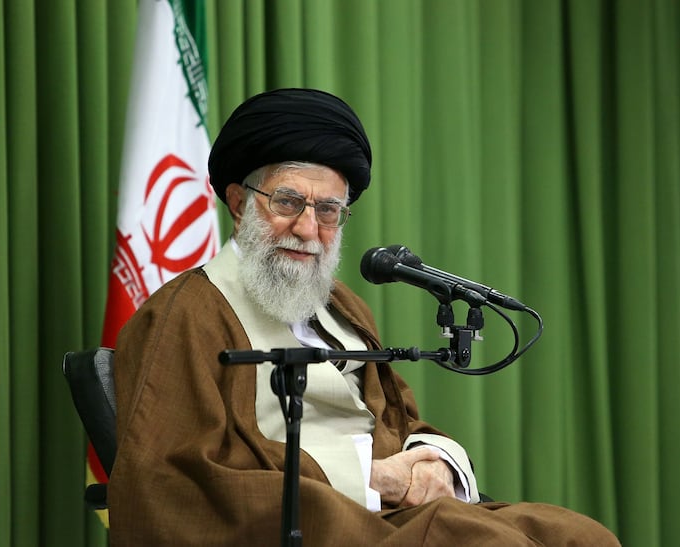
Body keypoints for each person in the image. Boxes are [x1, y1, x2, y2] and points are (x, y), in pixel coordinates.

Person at [108, 88, 620, 546]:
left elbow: (398, 417)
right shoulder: (187, 312)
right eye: (288, 202)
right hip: (317, 526)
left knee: (580, 535)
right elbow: (173, 480)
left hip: (403, 515)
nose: (308, 228)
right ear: (240, 203)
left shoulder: (340, 306)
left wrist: (436, 463)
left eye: (328, 210)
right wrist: (371, 478)